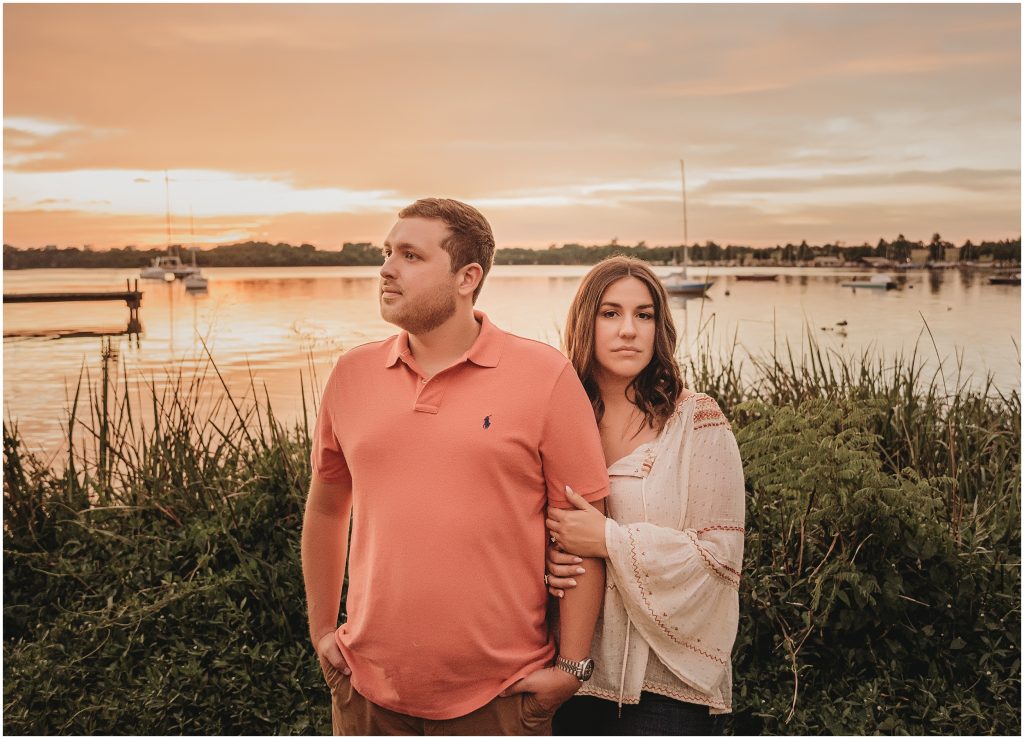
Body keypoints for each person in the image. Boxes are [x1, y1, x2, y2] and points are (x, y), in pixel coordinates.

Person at [301, 198, 609, 735]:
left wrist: (572, 669)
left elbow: (584, 530)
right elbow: (327, 509)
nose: (387, 268)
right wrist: (322, 631)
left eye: (411, 256)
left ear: (468, 277)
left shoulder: (545, 376)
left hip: (500, 699)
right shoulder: (351, 375)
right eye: (387, 251)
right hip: (365, 694)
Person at [544, 256, 745, 735]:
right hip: (567, 679)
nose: (629, 330)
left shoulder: (696, 421)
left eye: (644, 314)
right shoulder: (553, 421)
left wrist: (608, 540)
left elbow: (721, 558)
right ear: (585, 322)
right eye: (610, 314)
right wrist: (543, 563)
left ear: (660, 328)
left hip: (665, 690)